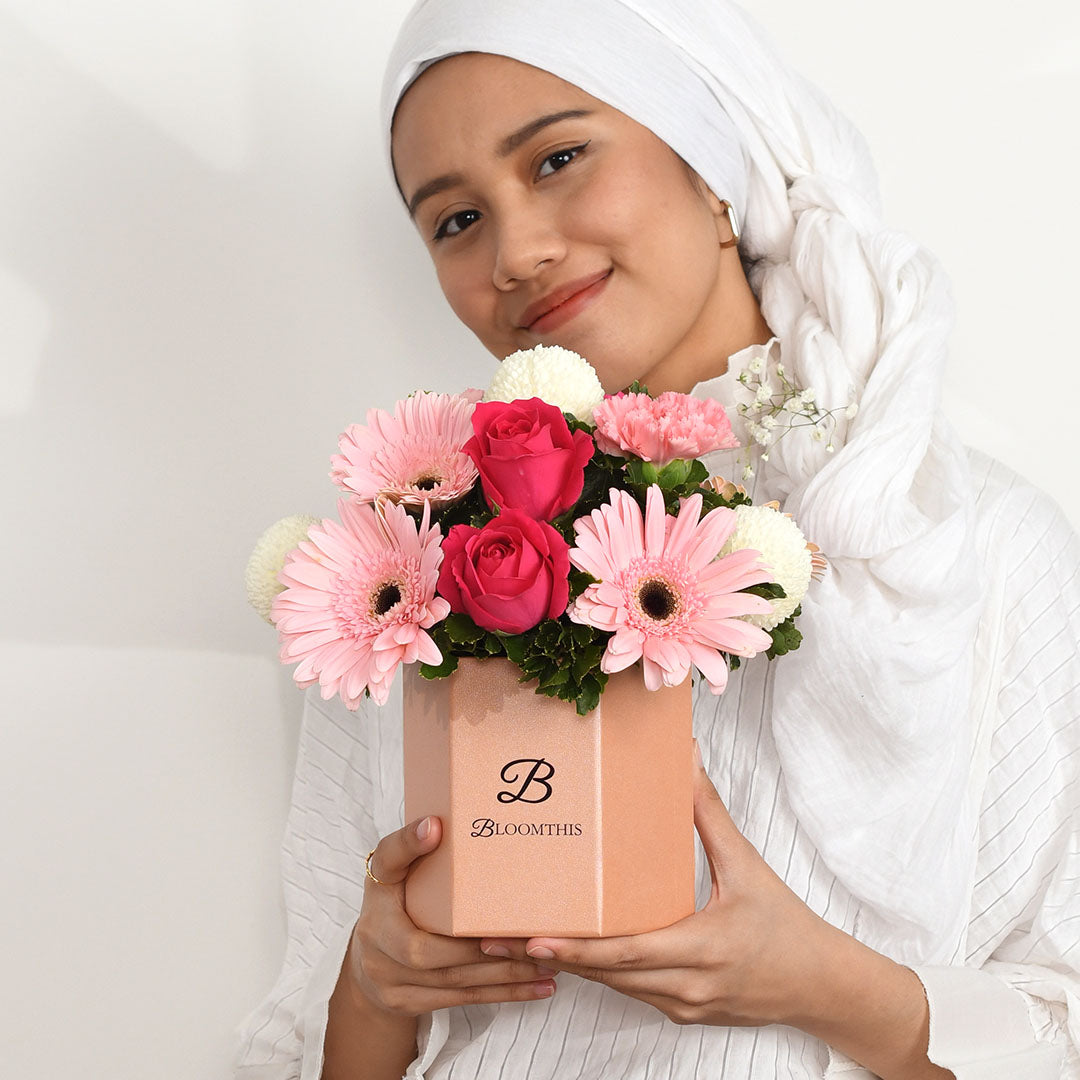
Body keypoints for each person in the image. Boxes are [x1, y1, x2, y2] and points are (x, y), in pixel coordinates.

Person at [232, 1, 1080, 1077]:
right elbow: (313, 1035)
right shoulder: (411, 574)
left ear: (711, 159)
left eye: (559, 157)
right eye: (456, 221)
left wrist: (819, 981)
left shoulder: (964, 547)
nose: (518, 252)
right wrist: (375, 982)